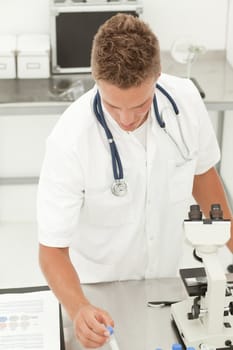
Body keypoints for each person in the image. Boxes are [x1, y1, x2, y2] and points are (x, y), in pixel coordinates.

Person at [37, 13, 233, 349]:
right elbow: (52, 250)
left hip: (165, 284)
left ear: (158, 75)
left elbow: (204, 177)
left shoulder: (184, 101)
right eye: (114, 106)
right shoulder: (69, 139)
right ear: (95, 79)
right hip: (95, 293)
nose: (127, 120)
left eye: (141, 104)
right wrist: (79, 307)